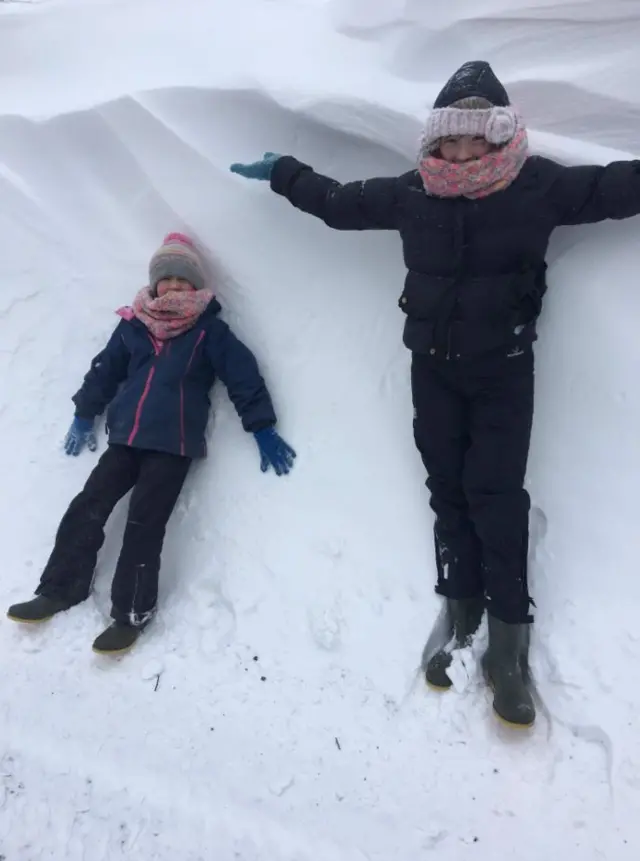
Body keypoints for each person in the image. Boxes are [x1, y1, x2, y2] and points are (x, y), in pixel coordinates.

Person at [229, 60, 640, 728]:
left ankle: (509, 643)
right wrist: (285, 173)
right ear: (434, 139)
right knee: (446, 486)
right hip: (433, 371)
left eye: (478, 134)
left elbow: (618, 187)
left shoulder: (537, 189)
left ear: (501, 135)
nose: (462, 148)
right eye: (451, 135)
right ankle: (461, 605)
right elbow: (338, 205)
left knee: (494, 494)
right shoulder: (415, 192)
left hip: (504, 372)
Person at [7, 232, 296, 654]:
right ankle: (59, 589)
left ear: (195, 286)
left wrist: (262, 428)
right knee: (86, 506)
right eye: (168, 280)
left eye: (184, 282)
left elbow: (243, 376)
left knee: (144, 526)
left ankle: (130, 615)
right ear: (155, 284)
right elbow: (105, 371)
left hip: (172, 445)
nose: (175, 289)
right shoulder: (133, 326)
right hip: (124, 440)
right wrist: (84, 413)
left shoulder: (208, 332)